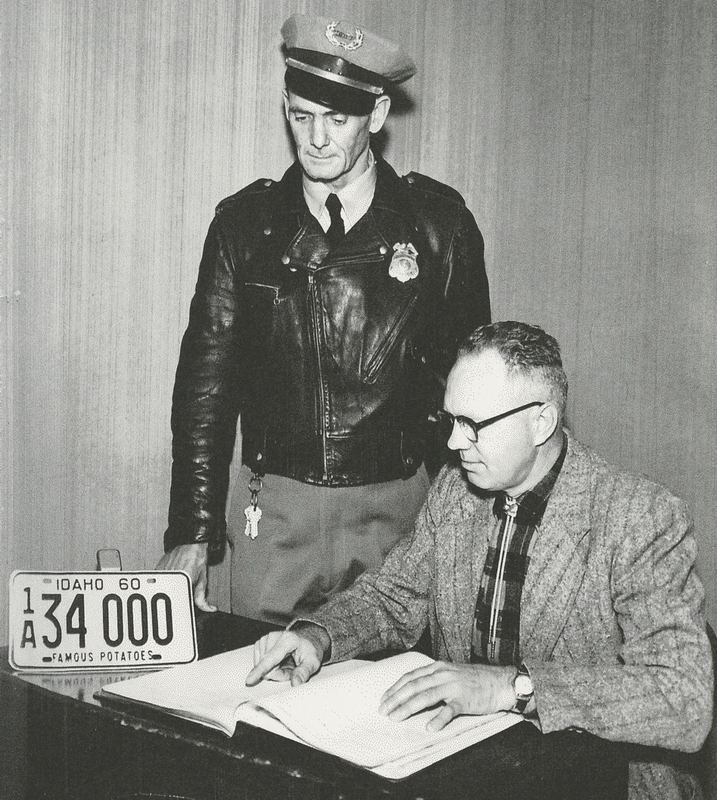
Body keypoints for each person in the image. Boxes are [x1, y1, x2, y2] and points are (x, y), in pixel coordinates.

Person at [247, 321, 713, 799]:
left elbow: (684, 699)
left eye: (473, 424)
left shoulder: (638, 516)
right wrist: (318, 635)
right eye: (450, 420)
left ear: (542, 423)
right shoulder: (455, 491)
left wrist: (513, 688)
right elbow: (393, 595)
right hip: (470, 770)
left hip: (601, 781)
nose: (452, 443)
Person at [157, 14, 491, 624]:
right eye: (302, 116)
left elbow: (471, 389)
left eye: (338, 120)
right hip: (278, 509)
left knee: (393, 698)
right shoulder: (244, 228)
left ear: (378, 115)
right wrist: (193, 529)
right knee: (260, 690)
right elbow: (206, 388)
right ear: (285, 106)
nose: (316, 139)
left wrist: (468, 520)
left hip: (398, 508)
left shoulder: (439, 229)